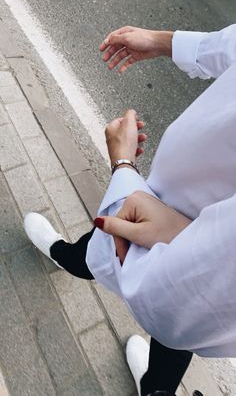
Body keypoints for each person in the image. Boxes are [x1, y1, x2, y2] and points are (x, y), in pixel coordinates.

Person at [24, 23, 236, 395]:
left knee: (111, 251)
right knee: (174, 339)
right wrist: (164, 42)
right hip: (164, 212)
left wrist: (123, 166)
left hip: (182, 251)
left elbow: (185, 298)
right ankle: (156, 386)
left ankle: (67, 256)